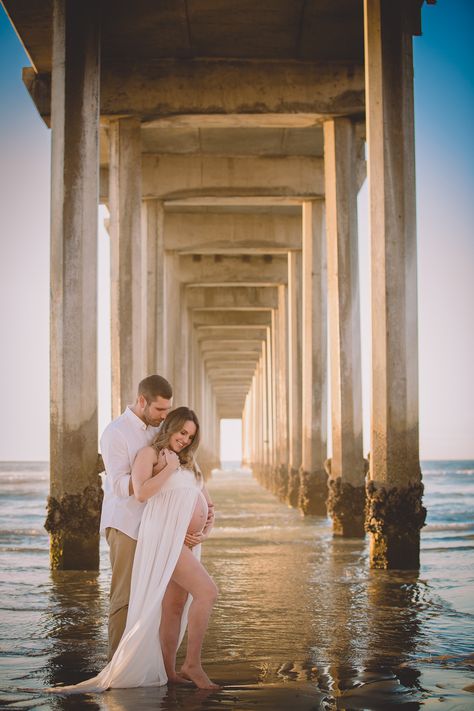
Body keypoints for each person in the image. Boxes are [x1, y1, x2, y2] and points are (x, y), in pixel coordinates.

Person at [49, 407, 218, 694]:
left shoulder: (189, 461)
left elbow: (207, 502)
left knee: (174, 607)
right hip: (165, 538)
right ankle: (192, 664)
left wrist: (205, 528)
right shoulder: (149, 455)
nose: (186, 439)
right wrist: (169, 469)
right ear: (170, 427)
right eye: (182, 432)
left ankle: (168, 671)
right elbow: (142, 492)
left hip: (186, 540)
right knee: (207, 592)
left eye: (190, 436)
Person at [100, 374, 173, 660]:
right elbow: (118, 485)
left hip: (155, 524)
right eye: (159, 410)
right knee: (124, 598)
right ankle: (116, 665)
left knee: (152, 596)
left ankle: (142, 660)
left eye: (167, 410)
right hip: (125, 525)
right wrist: (153, 474)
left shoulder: (159, 428)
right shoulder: (115, 433)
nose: (164, 416)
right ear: (142, 401)